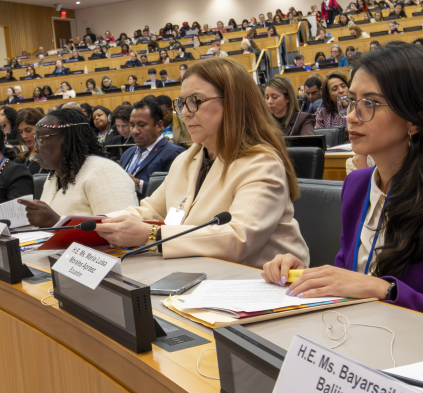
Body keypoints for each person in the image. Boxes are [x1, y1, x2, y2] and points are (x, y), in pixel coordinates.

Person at [262, 44, 423, 340]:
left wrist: (385, 290)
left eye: (370, 103)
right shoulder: (357, 184)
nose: (351, 116)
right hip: (367, 343)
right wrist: (306, 276)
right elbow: (352, 278)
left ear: (417, 117)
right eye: (351, 101)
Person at [95, 58, 309, 265]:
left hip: (263, 281)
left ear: (233, 103)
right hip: (202, 273)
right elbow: (151, 211)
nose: (185, 113)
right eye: (182, 103)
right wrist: (97, 223)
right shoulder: (186, 160)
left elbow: (238, 238)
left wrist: (152, 234)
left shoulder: (262, 164)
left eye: (195, 101)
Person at [18, 108, 140, 226]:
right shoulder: (54, 176)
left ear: (68, 140)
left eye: (41, 140)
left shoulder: (105, 172)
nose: (36, 148)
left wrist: (57, 222)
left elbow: (122, 228)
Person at [118, 99, 186, 200]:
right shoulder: (127, 153)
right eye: (132, 125)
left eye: (142, 125)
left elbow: (176, 192)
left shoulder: (175, 153)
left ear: (159, 125)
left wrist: (138, 184)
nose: (135, 131)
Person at [15, 107, 45, 174]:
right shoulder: (20, 158)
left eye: (28, 130)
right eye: (20, 132)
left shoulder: (51, 159)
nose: (23, 136)